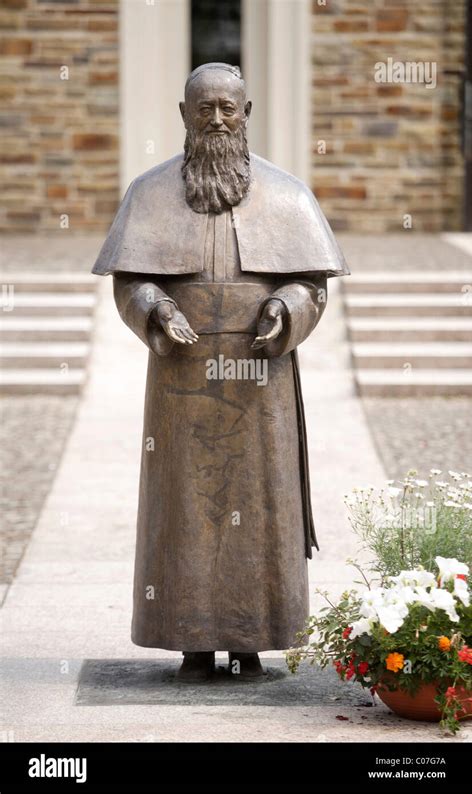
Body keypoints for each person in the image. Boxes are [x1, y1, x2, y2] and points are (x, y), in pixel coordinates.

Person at [92, 62, 349, 682]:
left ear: (247, 114)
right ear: (183, 116)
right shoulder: (149, 194)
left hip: (260, 379)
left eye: (227, 108)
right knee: (185, 507)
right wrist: (155, 308)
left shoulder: (287, 196)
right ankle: (192, 644)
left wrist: (286, 308)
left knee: (261, 505)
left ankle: (252, 641)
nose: (215, 119)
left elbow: (311, 283)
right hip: (181, 380)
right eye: (203, 108)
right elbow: (132, 281)